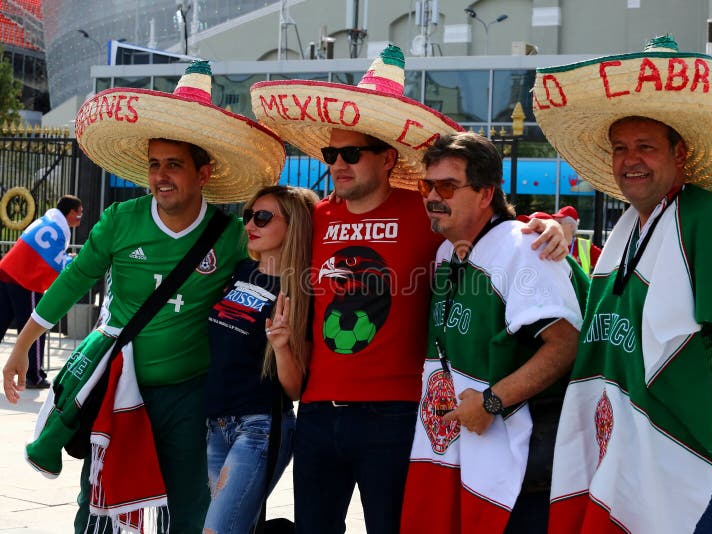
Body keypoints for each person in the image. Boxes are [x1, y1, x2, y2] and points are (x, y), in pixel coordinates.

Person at [251, 44, 567, 534]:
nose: (338, 164)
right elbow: (253, 236)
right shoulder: (313, 218)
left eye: (351, 154)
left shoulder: (424, 213)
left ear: (387, 158)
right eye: (331, 154)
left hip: (395, 417)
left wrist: (556, 224)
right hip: (316, 414)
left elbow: (495, 225)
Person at [2, 61, 286, 533]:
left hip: (191, 396)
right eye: (154, 164)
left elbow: (285, 253)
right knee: (99, 501)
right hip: (117, 386)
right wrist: (21, 345)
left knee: (190, 503)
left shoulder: (232, 235)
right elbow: (70, 284)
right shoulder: (119, 220)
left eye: (174, 164)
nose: (160, 176)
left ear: (204, 172)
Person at [532, 36, 712, 534]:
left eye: (646, 147)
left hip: (702, 466)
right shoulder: (627, 228)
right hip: (635, 466)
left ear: (680, 153)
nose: (630, 159)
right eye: (620, 148)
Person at [399, 132, 582, 534]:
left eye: (447, 186)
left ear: (485, 194)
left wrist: (492, 402)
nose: (432, 196)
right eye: (426, 185)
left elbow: (565, 344)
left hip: (520, 471)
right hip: (461, 457)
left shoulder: (523, 248)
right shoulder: (447, 252)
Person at [204, 185, 317, 533]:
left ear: (293, 224)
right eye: (248, 215)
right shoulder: (237, 270)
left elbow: (295, 388)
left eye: (263, 217)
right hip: (214, 424)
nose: (251, 223)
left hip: (260, 427)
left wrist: (282, 345)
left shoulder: (301, 288)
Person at [0, 194, 83, 388]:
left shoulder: (46, 220)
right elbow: (56, 262)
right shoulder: (58, 229)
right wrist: (73, 259)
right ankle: (33, 376)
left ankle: (32, 373)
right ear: (71, 213)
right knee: (34, 327)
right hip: (25, 279)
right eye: (80, 214)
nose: (81, 218)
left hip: (7, 270)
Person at [551, 205, 601, 274]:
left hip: (579, 285)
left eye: (559, 222)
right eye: (555, 222)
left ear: (571, 226)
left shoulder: (585, 245)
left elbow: (606, 262)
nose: (556, 225)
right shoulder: (551, 243)